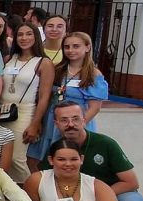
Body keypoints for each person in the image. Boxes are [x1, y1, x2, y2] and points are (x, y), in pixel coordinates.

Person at [49, 101, 143, 201]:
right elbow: (48, 179)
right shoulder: (56, 147)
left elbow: (131, 182)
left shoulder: (105, 143)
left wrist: (99, 197)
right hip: (75, 193)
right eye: (64, 120)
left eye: (75, 119)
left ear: (84, 120)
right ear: (56, 124)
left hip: (114, 190)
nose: (71, 125)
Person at [30, 32, 109, 164]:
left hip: (76, 122)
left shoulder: (93, 74)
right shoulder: (58, 69)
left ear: (87, 47)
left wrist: (77, 125)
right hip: (53, 120)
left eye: (76, 46)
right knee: (46, 158)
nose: (71, 50)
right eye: (67, 47)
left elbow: (94, 108)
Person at [1, 23, 53, 180]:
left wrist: (35, 123)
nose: (24, 38)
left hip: (24, 112)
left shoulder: (43, 62)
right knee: (1, 157)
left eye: (29, 34)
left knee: (17, 158)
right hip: (2, 111)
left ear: (36, 37)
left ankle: (29, 192)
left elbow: (44, 96)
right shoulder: (9, 58)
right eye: (20, 34)